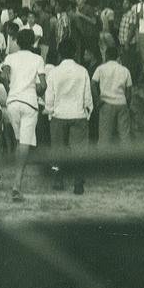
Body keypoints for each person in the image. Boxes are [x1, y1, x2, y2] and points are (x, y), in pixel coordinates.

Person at [45, 39, 92, 195]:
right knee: (79, 151)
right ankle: (78, 182)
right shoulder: (82, 71)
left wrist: (50, 111)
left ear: (59, 53)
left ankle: (58, 179)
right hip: (78, 114)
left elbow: (49, 97)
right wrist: (87, 113)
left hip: (59, 115)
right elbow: (87, 97)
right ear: (74, 53)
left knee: (58, 150)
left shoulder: (54, 72)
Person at [4, 29, 46, 202]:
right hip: (29, 103)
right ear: (33, 42)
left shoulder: (10, 57)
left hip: (12, 102)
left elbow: (4, 76)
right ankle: (16, 185)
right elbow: (43, 85)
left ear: (18, 42)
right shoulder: (38, 59)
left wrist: (13, 89)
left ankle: (16, 179)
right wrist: (33, 89)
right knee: (25, 145)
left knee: (19, 141)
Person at [92, 45, 132, 144]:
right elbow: (129, 90)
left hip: (106, 104)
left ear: (106, 56)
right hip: (121, 103)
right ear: (117, 57)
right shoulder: (125, 70)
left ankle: (103, 159)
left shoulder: (101, 68)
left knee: (104, 138)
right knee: (125, 137)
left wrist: (97, 99)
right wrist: (127, 103)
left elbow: (92, 84)